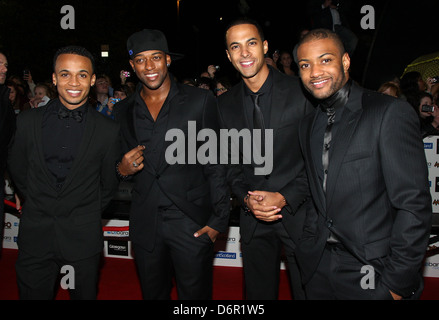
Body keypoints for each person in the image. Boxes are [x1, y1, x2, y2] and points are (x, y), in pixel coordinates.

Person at [294, 28, 432, 300]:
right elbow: (316, 193)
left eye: (325, 60)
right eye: (305, 65)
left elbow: (413, 206)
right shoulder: (307, 125)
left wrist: (395, 284)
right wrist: (309, 245)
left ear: (345, 61)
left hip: (374, 271)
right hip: (317, 268)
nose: (315, 72)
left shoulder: (388, 113)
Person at [114, 29, 230, 300]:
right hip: (145, 224)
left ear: (167, 59)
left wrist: (217, 220)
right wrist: (122, 169)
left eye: (155, 57)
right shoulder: (122, 111)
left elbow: (217, 162)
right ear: (132, 66)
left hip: (191, 221)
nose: (149, 66)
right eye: (140, 60)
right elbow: (115, 166)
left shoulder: (200, 101)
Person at [7, 45, 121, 299]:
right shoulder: (26, 122)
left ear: (92, 80)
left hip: (82, 241)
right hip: (35, 237)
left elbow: (108, 185)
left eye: (82, 75)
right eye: (65, 74)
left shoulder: (108, 130)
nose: (74, 82)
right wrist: (38, 200)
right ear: (55, 78)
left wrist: (81, 210)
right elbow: (18, 170)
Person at [218, 18, 313, 300]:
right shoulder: (223, 105)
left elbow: (320, 159)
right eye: (236, 46)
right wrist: (246, 199)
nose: (244, 53)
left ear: (265, 47)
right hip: (253, 218)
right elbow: (230, 165)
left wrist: (284, 196)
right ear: (228, 55)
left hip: (302, 214)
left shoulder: (303, 92)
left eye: (251, 43)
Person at [0, 51, 16, 254]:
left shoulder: (5, 103)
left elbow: (10, 146)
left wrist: (17, 185)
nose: (4, 69)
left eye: (5, 65)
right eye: (0, 64)